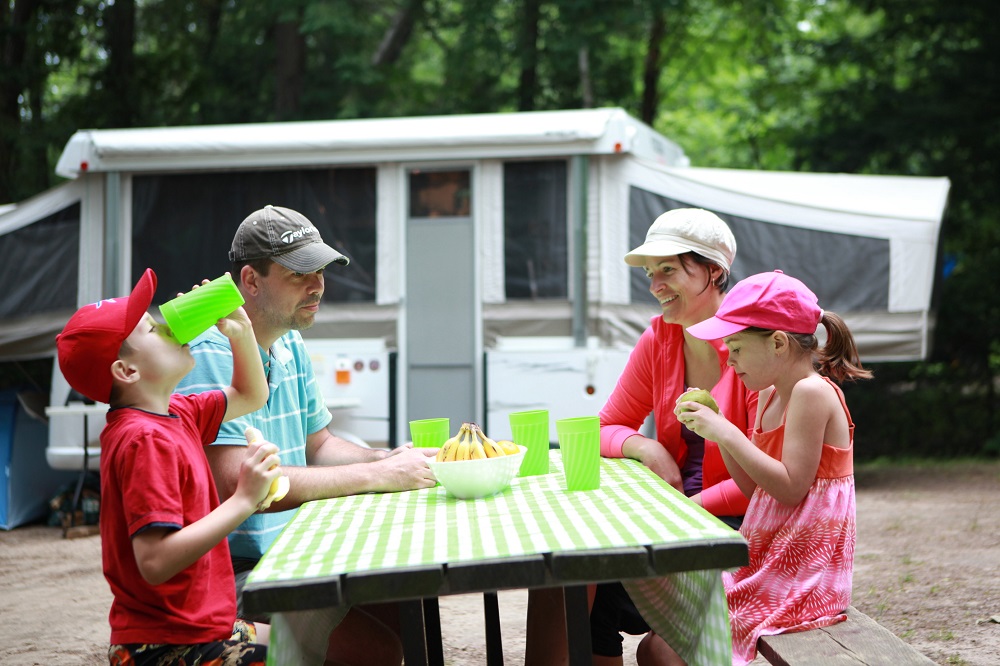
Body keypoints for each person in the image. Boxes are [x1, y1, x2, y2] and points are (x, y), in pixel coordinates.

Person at [175, 204, 437, 666]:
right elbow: (243, 483)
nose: (317, 285)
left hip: (296, 555)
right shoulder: (210, 351)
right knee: (382, 650)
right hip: (238, 576)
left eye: (320, 270)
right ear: (250, 282)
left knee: (402, 597)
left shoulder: (289, 339)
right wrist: (378, 477)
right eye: (299, 273)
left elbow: (319, 445)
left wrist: (384, 459)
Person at [525, 208, 759, 666]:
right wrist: (643, 445)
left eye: (668, 269)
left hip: (739, 528)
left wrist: (684, 507)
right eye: (651, 274)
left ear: (714, 271)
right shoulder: (659, 339)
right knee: (578, 571)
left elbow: (761, 477)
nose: (655, 286)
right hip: (675, 519)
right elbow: (603, 429)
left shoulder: (749, 346)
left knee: (652, 644)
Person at [55, 268, 275, 665]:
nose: (169, 327)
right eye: (152, 329)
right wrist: (244, 500)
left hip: (199, 626)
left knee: (302, 642)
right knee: (299, 654)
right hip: (166, 645)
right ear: (126, 372)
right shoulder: (144, 440)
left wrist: (241, 335)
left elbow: (251, 394)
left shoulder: (176, 413)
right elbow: (154, 562)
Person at [650, 269, 870, 665]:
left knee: (669, 648)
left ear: (778, 343)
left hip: (806, 580)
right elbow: (759, 492)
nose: (730, 361)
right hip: (768, 563)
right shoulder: (770, 395)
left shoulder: (811, 393)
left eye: (735, 348)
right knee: (660, 639)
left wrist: (728, 434)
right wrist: (719, 435)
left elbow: (790, 489)